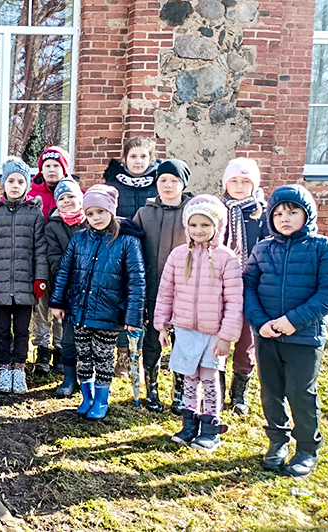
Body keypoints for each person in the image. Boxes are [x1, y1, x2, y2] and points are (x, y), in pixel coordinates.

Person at [243, 184, 328, 478]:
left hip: (303, 337)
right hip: (267, 334)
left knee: (300, 392)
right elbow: (248, 287)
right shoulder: (262, 249)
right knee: (271, 391)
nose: (285, 218)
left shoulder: (324, 248)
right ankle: (277, 442)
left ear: (306, 214)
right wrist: (261, 323)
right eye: (279, 213)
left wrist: (293, 321)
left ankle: (307, 448)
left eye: (293, 212)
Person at [153, 195, 243, 451]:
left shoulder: (227, 259)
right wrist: (162, 324)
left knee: (210, 377)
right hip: (184, 329)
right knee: (189, 377)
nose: (199, 230)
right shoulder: (178, 255)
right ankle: (189, 423)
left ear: (216, 226)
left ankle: (211, 426)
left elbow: (234, 300)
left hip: (213, 333)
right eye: (193, 225)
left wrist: (226, 335)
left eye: (205, 225)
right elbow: (166, 291)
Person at [50, 184, 145, 420]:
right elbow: (65, 272)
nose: (96, 218)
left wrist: (133, 316)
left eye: (100, 212)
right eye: (90, 213)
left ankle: (101, 400)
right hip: (79, 310)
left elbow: (136, 280)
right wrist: (58, 302)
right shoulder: (80, 239)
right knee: (84, 356)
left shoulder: (127, 241)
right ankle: (87, 396)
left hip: (108, 312)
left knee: (103, 357)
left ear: (111, 211)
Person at [0, 157, 48, 394]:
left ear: (26, 185)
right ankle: (4, 367)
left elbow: (40, 250)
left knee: (21, 330)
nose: (15, 186)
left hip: (25, 285)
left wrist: (40, 279)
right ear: (3, 184)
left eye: (20, 181)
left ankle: (19, 367)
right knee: (1, 329)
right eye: (10, 181)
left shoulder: (35, 215)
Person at [132, 159, 194, 413]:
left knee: (182, 341)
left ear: (183, 184)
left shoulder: (192, 212)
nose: (168, 186)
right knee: (152, 341)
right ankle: (152, 390)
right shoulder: (145, 213)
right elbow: (133, 248)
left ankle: (180, 392)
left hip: (185, 290)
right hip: (152, 287)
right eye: (163, 181)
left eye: (174, 181)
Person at [103, 137, 161, 378]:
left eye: (143, 156)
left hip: (152, 249)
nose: (138, 161)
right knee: (123, 301)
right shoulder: (114, 183)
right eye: (133, 156)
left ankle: (144, 352)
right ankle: (123, 353)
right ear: (125, 159)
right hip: (122, 249)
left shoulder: (159, 183)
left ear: (151, 159)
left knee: (147, 302)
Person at [221, 158, 269, 415]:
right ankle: (213, 386)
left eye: (245, 181)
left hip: (251, 284)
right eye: (234, 181)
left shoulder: (262, 214)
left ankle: (239, 390)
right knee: (217, 335)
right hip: (220, 284)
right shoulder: (218, 210)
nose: (239, 186)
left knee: (245, 340)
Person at [25, 147, 71, 375]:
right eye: (47, 166)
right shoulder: (32, 197)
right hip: (39, 262)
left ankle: (61, 351)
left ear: (64, 169)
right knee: (41, 308)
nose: (52, 170)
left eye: (56, 166)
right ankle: (42, 349)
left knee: (61, 308)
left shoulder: (72, 195)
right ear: (41, 170)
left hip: (64, 263)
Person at [44, 178, 87, 397]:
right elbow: (55, 261)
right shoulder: (53, 227)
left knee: (92, 340)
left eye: (71, 196)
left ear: (80, 198)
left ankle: (90, 380)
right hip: (69, 290)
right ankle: (69, 379)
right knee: (68, 340)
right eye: (62, 198)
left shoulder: (93, 221)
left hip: (94, 292)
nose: (67, 201)